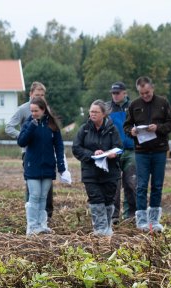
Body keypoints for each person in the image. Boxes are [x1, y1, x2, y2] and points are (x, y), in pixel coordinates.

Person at [123, 76, 171, 233]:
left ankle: (154, 220)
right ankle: (141, 220)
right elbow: (126, 125)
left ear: (152, 88)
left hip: (159, 150)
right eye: (142, 93)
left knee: (157, 185)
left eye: (147, 92)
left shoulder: (163, 103)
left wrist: (158, 128)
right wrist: (131, 131)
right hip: (141, 151)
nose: (145, 95)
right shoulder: (134, 105)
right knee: (141, 186)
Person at [17, 97, 67, 236]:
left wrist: (61, 167)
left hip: (48, 166)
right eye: (31, 111)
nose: (33, 113)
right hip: (32, 166)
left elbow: (59, 146)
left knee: (43, 197)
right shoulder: (29, 123)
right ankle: (32, 226)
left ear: (43, 110)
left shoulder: (52, 125)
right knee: (34, 195)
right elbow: (21, 141)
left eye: (36, 111)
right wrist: (32, 126)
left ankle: (41, 225)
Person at [6, 82, 54, 223]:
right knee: (33, 187)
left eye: (42, 95)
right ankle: (31, 216)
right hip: (29, 154)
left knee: (47, 187)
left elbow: (52, 129)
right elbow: (8, 127)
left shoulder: (46, 109)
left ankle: (47, 216)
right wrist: (23, 135)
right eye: (37, 95)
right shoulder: (23, 109)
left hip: (45, 154)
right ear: (30, 95)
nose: (40, 97)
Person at [72, 100, 121, 237]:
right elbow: (76, 148)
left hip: (110, 172)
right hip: (90, 172)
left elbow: (119, 148)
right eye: (91, 111)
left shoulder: (112, 129)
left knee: (108, 200)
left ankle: (107, 228)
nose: (92, 114)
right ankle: (100, 231)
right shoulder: (84, 129)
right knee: (96, 199)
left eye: (96, 112)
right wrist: (92, 154)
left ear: (103, 114)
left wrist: (112, 154)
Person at [106, 81, 137, 223]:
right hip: (114, 151)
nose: (115, 96)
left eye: (117, 93)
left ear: (125, 93)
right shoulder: (107, 109)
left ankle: (130, 214)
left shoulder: (134, 108)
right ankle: (114, 215)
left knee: (131, 183)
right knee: (114, 184)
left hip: (131, 150)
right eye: (113, 93)